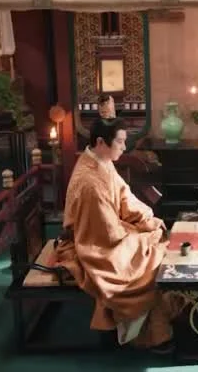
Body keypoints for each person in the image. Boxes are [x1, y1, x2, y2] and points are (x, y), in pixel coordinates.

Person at [54, 118, 174, 352]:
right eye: (119, 141)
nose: (124, 147)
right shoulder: (89, 182)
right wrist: (142, 234)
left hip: (106, 231)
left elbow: (124, 196)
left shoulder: (100, 161)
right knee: (150, 261)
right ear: (101, 142)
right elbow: (105, 235)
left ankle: (153, 325)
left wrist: (147, 219)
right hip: (93, 244)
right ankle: (145, 335)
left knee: (156, 238)